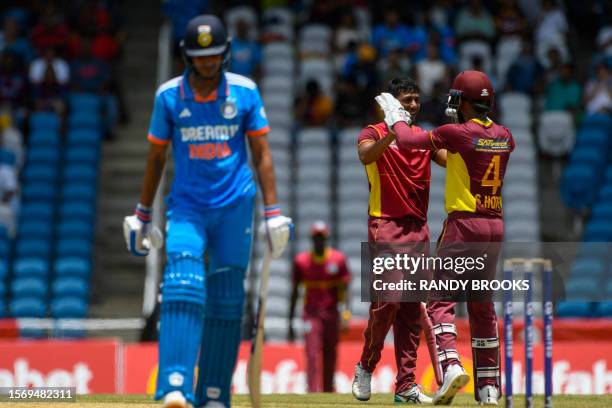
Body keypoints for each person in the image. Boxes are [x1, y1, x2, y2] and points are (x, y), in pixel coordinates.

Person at [123, 15, 292, 408]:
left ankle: (215, 392)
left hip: (235, 207)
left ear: (225, 53)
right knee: (183, 282)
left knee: (227, 298)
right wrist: (142, 213)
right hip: (187, 208)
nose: (209, 63)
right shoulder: (169, 96)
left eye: (215, 55)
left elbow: (262, 154)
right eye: (202, 57)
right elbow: (156, 157)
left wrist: (273, 212)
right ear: (187, 56)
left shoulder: (245, 92)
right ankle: (175, 385)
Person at [374, 70, 514, 405]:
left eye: (456, 98)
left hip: (464, 224)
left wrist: (395, 117)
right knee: (482, 306)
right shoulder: (506, 135)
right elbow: (466, 152)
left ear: (463, 101)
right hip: (495, 226)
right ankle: (489, 387)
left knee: (439, 299)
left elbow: (407, 142)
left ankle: (451, 365)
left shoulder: (458, 132)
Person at [352, 77, 446, 404]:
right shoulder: (373, 132)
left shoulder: (422, 136)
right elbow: (365, 157)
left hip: (418, 229)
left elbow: (448, 158)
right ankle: (366, 365)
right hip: (385, 225)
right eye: (407, 100)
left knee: (408, 311)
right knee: (388, 301)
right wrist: (393, 129)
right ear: (392, 103)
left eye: (417, 100)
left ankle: (406, 386)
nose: (414, 106)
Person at [288, 221, 351, 393]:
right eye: (316, 238)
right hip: (311, 314)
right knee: (312, 352)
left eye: (321, 238)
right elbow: (294, 292)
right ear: (311, 239)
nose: (319, 241)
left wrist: (346, 315)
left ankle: (328, 391)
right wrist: (290, 320)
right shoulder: (301, 262)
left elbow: (345, 290)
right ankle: (313, 392)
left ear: (326, 238)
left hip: (331, 313)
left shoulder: (338, 260)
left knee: (330, 353)